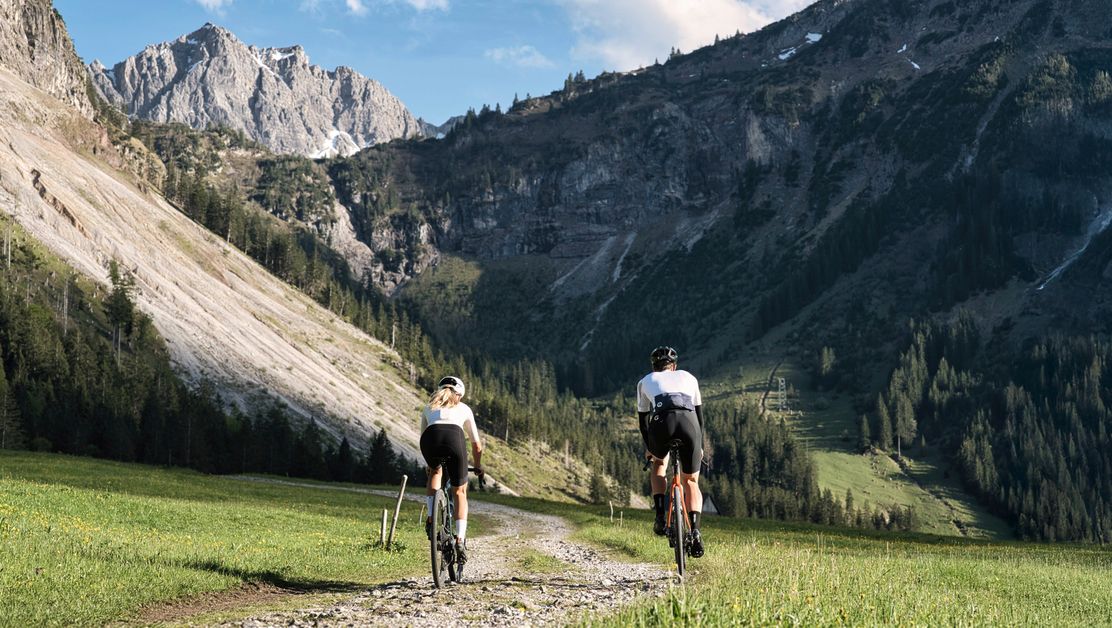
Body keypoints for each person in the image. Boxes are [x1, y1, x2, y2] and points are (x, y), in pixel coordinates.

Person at [636, 346, 705, 557]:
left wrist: (651, 449)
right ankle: (695, 532)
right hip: (689, 424)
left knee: (658, 463)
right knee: (691, 481)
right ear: (674, 366)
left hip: (661, 424)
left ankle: (659, 515)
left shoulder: (645, 381)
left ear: (654, 367)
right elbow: (700, 417)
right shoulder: (689, 377)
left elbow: (643, 422)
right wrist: (699, 446)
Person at [420, 375, 483, 563]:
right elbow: (477, 446)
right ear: (459, 395)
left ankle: (431, 518)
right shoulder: (464, 408)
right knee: (459, 491)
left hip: (430, 439)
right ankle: (460, 540)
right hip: (454, 438)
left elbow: (423, 435)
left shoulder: (428, 408)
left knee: (435, 472)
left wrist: (432, 463)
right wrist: (478, 466)